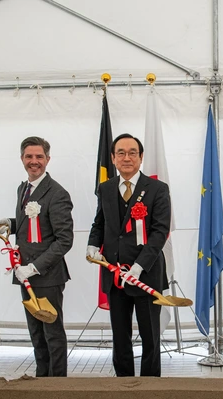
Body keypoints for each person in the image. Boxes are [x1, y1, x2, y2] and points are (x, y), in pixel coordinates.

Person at [87, 133, 171, 377]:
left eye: (132, 152)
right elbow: (99, 223)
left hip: (147, 276)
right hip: (115, 277)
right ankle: (123, 386)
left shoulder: (157, 189)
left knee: (150, 337)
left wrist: (139, 266)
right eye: (121, 153)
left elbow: (160, 232)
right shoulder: (105, 188)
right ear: (113, 158)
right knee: (120, 336)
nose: (127, 157)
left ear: (141, 157)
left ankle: (150, 386)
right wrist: (93, 244)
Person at [0, 136, 74, 377]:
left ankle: (56, 385)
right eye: (29, 157)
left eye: (39, 157)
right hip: (24, 274)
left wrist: (34, 267)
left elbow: (64, 240)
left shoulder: (58, 193)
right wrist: (13, 223)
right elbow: (35, 225)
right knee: (36, 334)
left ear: (48, 159)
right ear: (22, 159)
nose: (34, 161)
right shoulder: (24, 188)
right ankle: (41, 382)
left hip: (46, 276)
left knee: (52, 334)